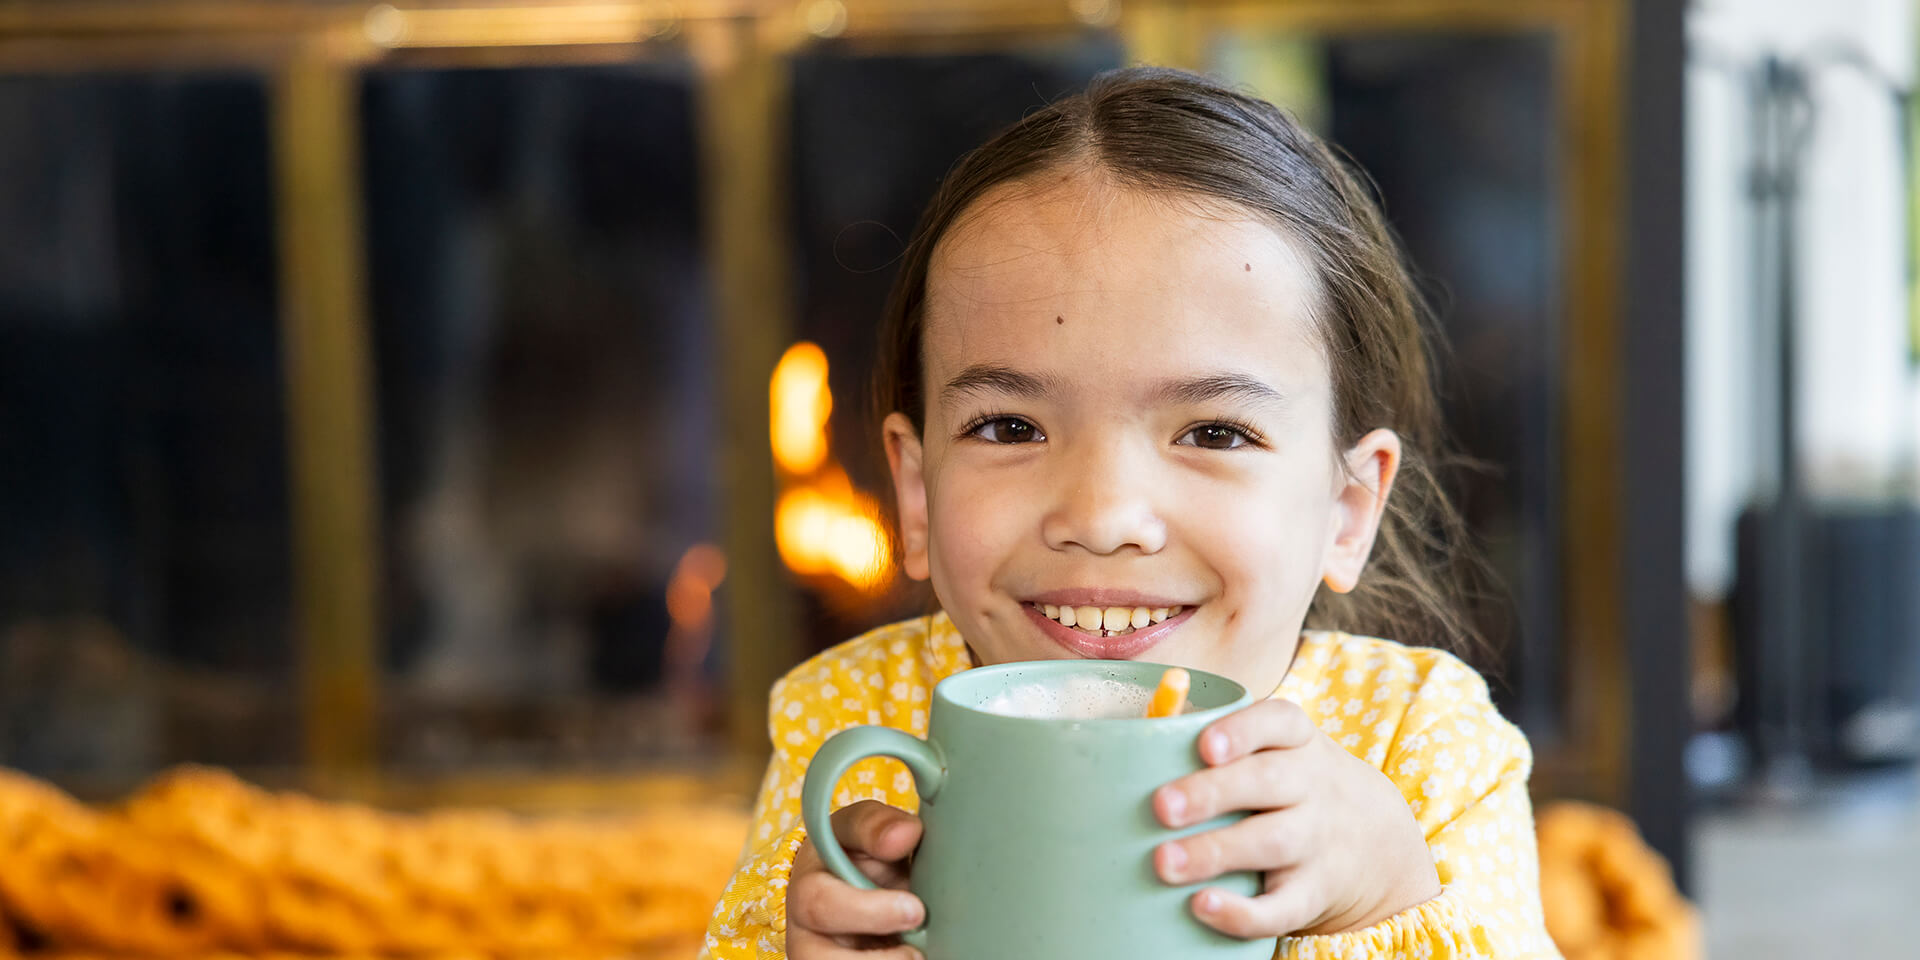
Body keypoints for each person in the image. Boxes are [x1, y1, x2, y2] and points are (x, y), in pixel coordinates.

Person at [702, 66, 1558, 960]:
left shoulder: (1423, 740)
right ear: (916, 494)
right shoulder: (847, 719)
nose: (1103, 517)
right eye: (1010, 426)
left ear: (1346, 512)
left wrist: (1389, 892)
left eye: (1216, 433)